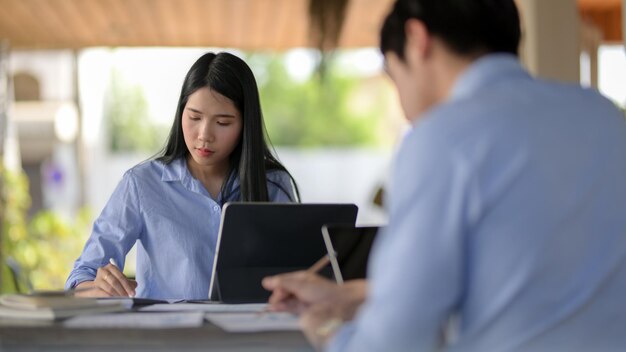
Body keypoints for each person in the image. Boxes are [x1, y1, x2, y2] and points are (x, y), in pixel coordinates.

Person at [262, 0, 626, 351]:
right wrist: (350, 295)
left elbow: (394, 344)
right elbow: (527, 276)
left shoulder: (443, 137)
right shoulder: (603, 116)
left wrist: (326, 330)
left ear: (417, 39)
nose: (403, 107)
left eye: (394, 76)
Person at [66, 52, 299, 300]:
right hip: (170, 335)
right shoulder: (141, 184)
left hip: (253, 334)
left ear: (245, 124)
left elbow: (300, 272)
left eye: (222, 122)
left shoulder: (274, 185)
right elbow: (81, 276)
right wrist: (98, 286)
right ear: (180, 113)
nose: (204, 135)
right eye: (194, 117)